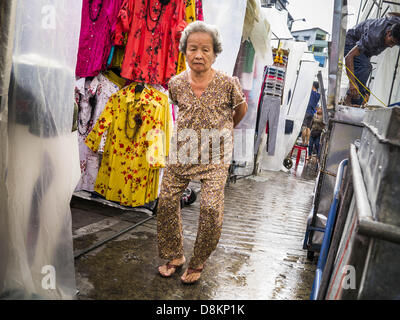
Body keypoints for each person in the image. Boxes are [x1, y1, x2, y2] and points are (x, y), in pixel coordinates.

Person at [156, 21, 248, 284]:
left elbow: (240, 110)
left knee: (209, 207)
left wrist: (225, 133)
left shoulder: (228, 83)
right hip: (182, 151)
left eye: (205, 49)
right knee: (166, 200)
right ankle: (174, 256)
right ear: (185, 51)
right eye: (193, 48)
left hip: (216, 154)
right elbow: (179, 110)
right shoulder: (175, 84)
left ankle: (198, 260)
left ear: (214, 53)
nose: (199, 54)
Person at [344, 14, 400, 106]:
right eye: (391, 42)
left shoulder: (396, 23)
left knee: (364, 69)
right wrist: (352, 83)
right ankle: (351, 102)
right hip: (350, 42)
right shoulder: (373, 36)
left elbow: (391, 14)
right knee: (365, 67)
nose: (391, 46)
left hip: (365, 48)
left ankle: (352, 99)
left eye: (394, 45)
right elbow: (349, 57)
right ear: (389, 32)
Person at [301, 81, 320, 147]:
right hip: (312, 113)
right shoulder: (318, 95)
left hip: (306, 111)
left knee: (304, 127)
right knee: (308, 128)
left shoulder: (309, 93)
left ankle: (303, 142)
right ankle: (307, 143)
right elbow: (316, 104)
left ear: (313, 86)